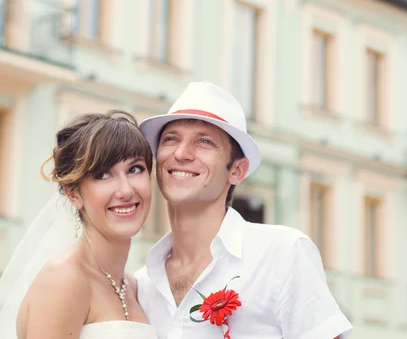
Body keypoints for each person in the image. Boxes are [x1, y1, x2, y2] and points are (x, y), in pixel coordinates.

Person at [136, 82, 353, 339]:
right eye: (171, 139)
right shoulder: (143, 283)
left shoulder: (282, 254)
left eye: (205, 142)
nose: (182, 153)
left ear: (237, 171)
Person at [0, 111, 158, 339]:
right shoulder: (64, 278)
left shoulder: (133, 287)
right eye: (102, 175)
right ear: (73, 194)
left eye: (135, 169)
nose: (126, 190)